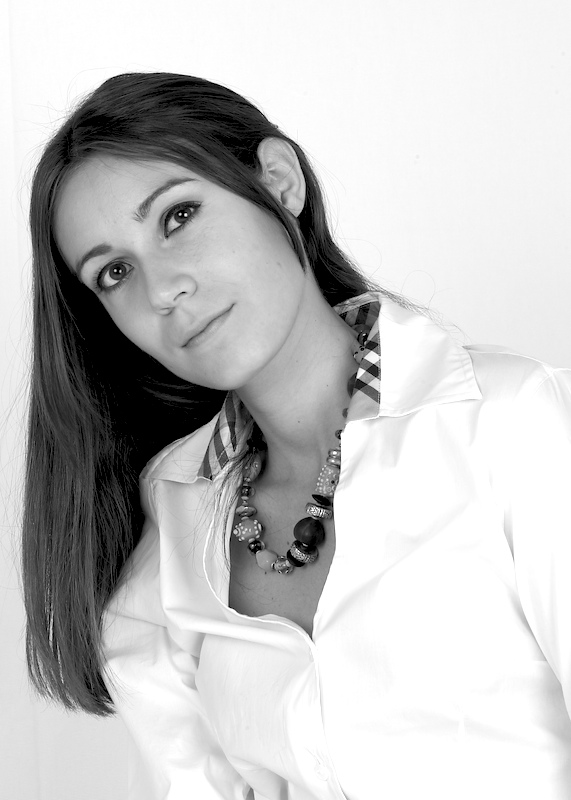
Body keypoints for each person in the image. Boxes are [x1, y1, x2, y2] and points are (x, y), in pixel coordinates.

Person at [22, 71, 571, 800]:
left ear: (278, 182)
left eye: (178, 216)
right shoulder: (170, 519)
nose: (162, 289)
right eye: (115, 272)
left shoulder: (513, 422)